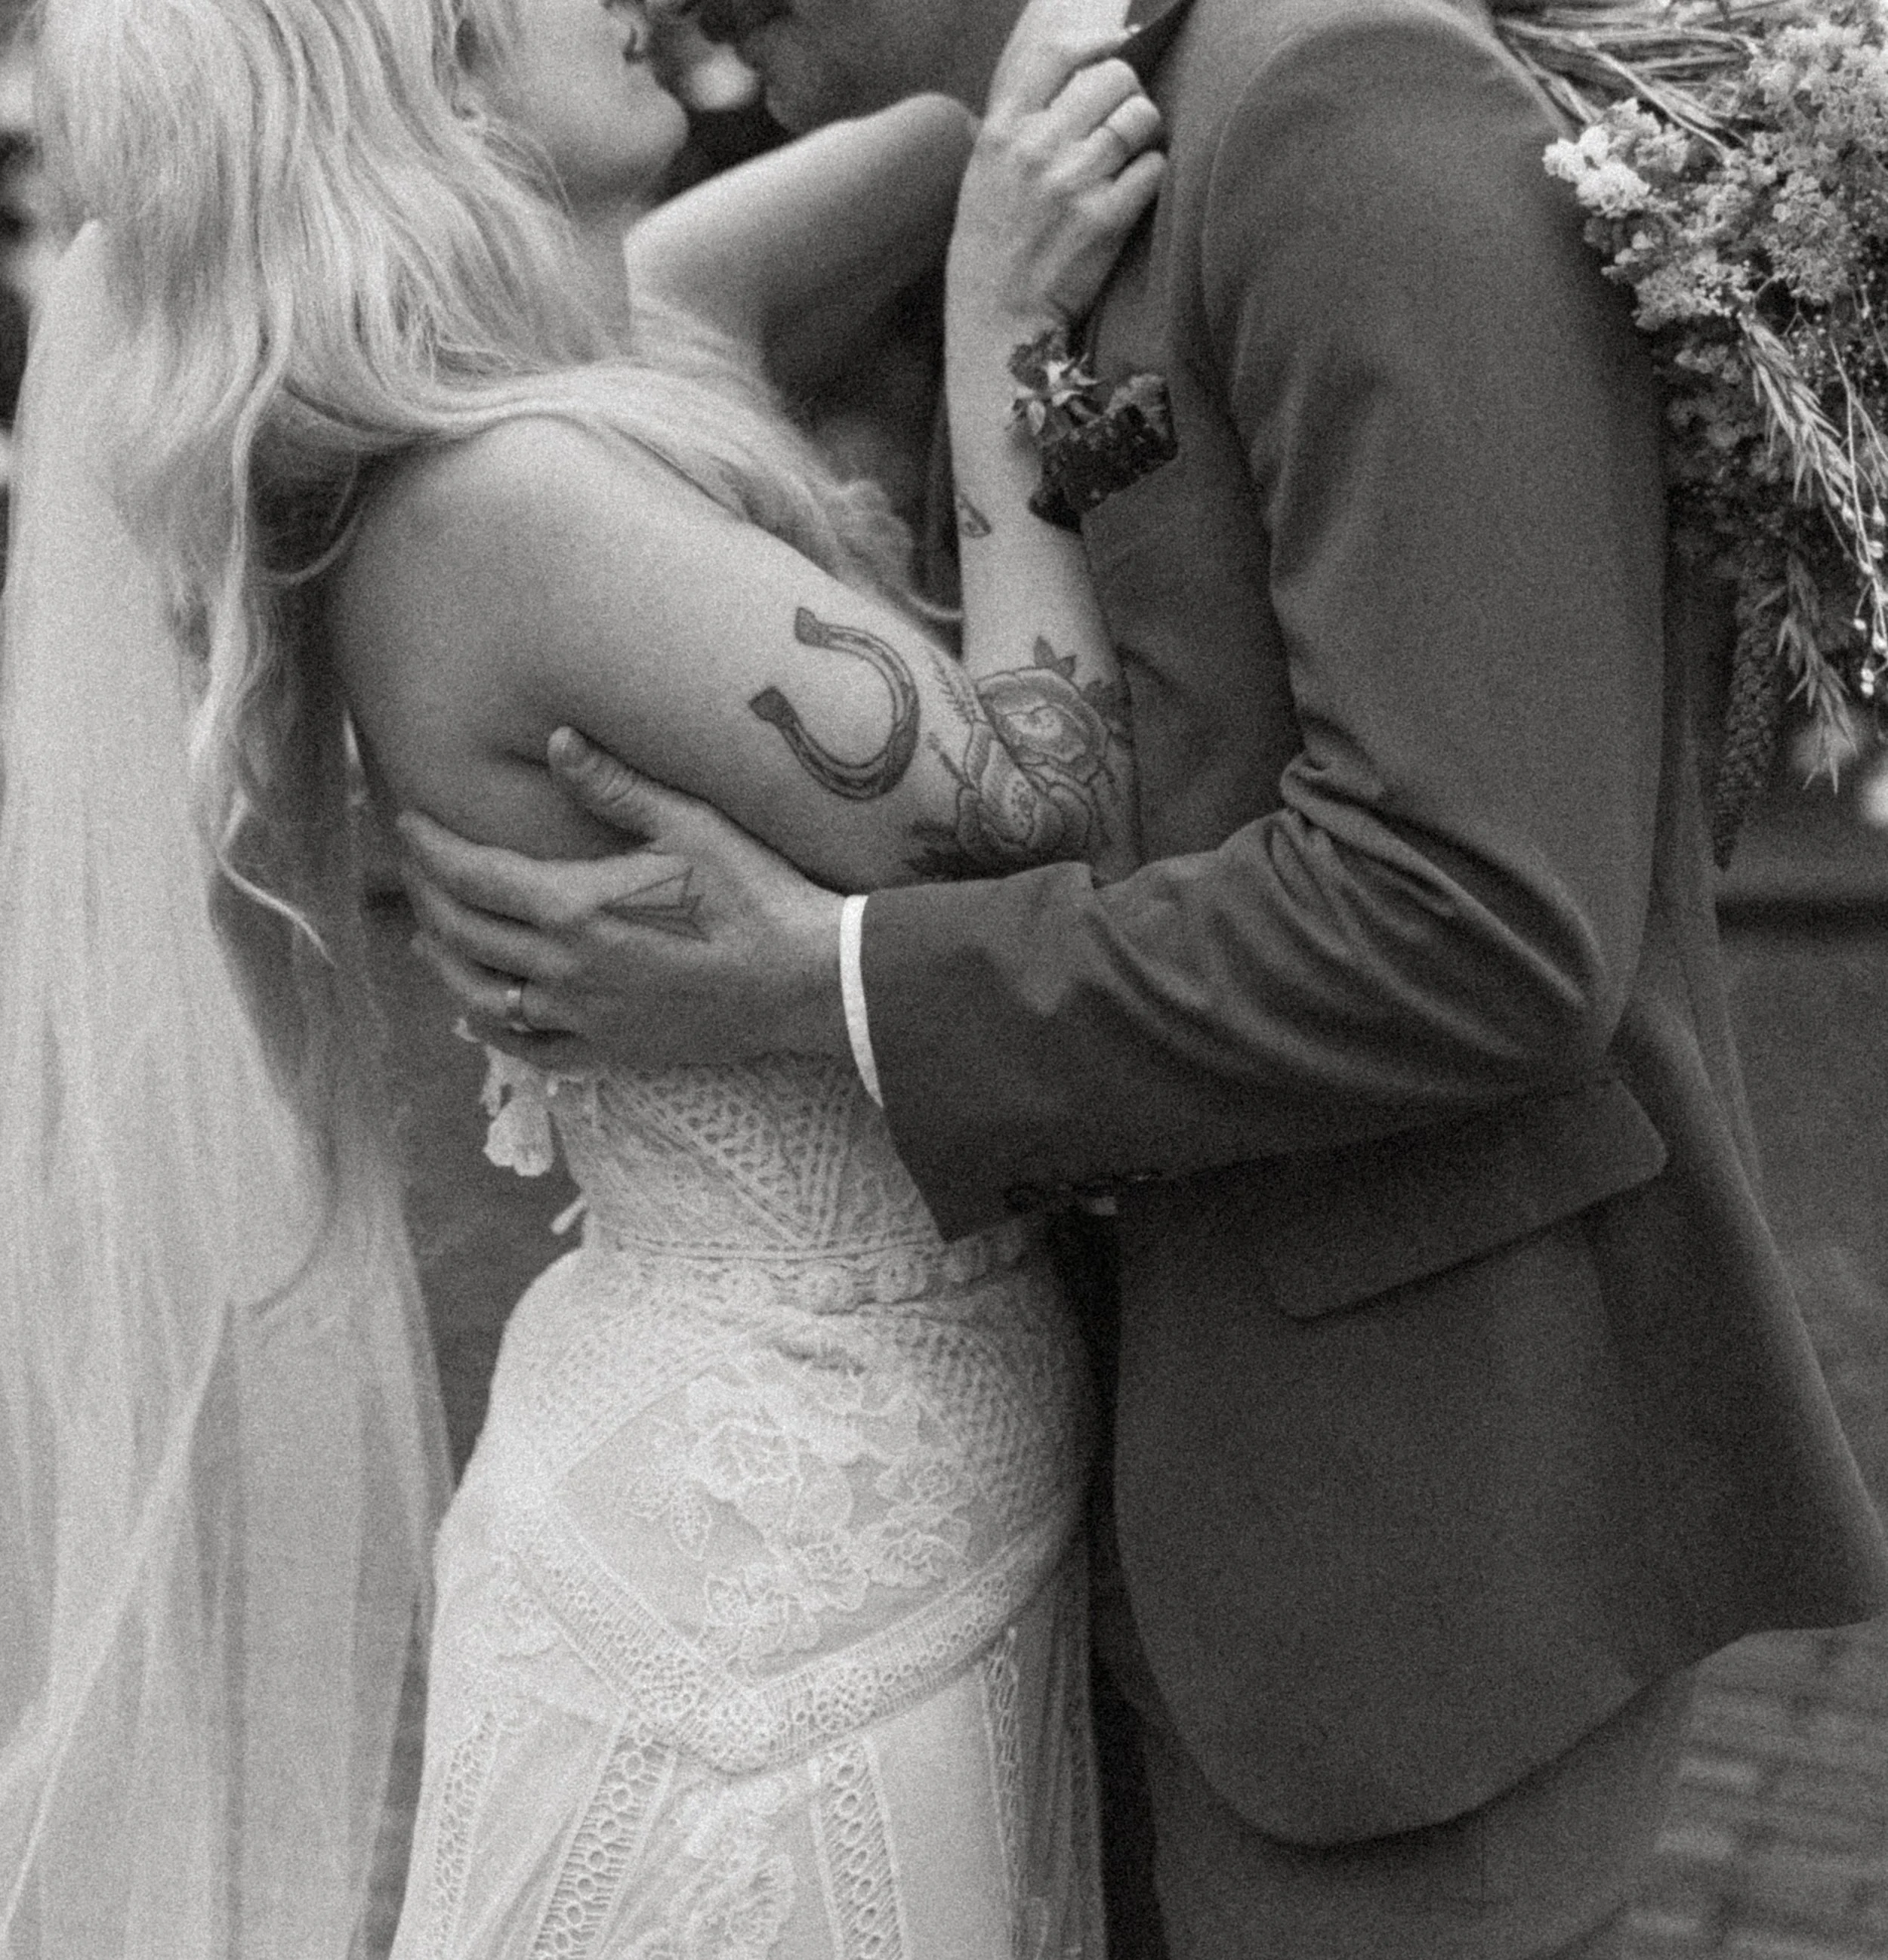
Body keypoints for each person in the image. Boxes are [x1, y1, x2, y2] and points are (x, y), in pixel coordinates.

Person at [400, 0, 1888, 1953]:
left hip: (1398, 1531)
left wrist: (821, 978)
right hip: (1070, 1526)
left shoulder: (1339, 113)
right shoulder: (1035, 152)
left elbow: (1475, 921)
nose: (670, 6)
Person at [0, 0, 1174, 1950]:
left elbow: (970, 97)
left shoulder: (593, 345)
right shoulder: (513, 502)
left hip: (817, 1496)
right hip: (776, 1558)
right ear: (438, 78)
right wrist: (1000, 353)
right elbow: (1047, 816)